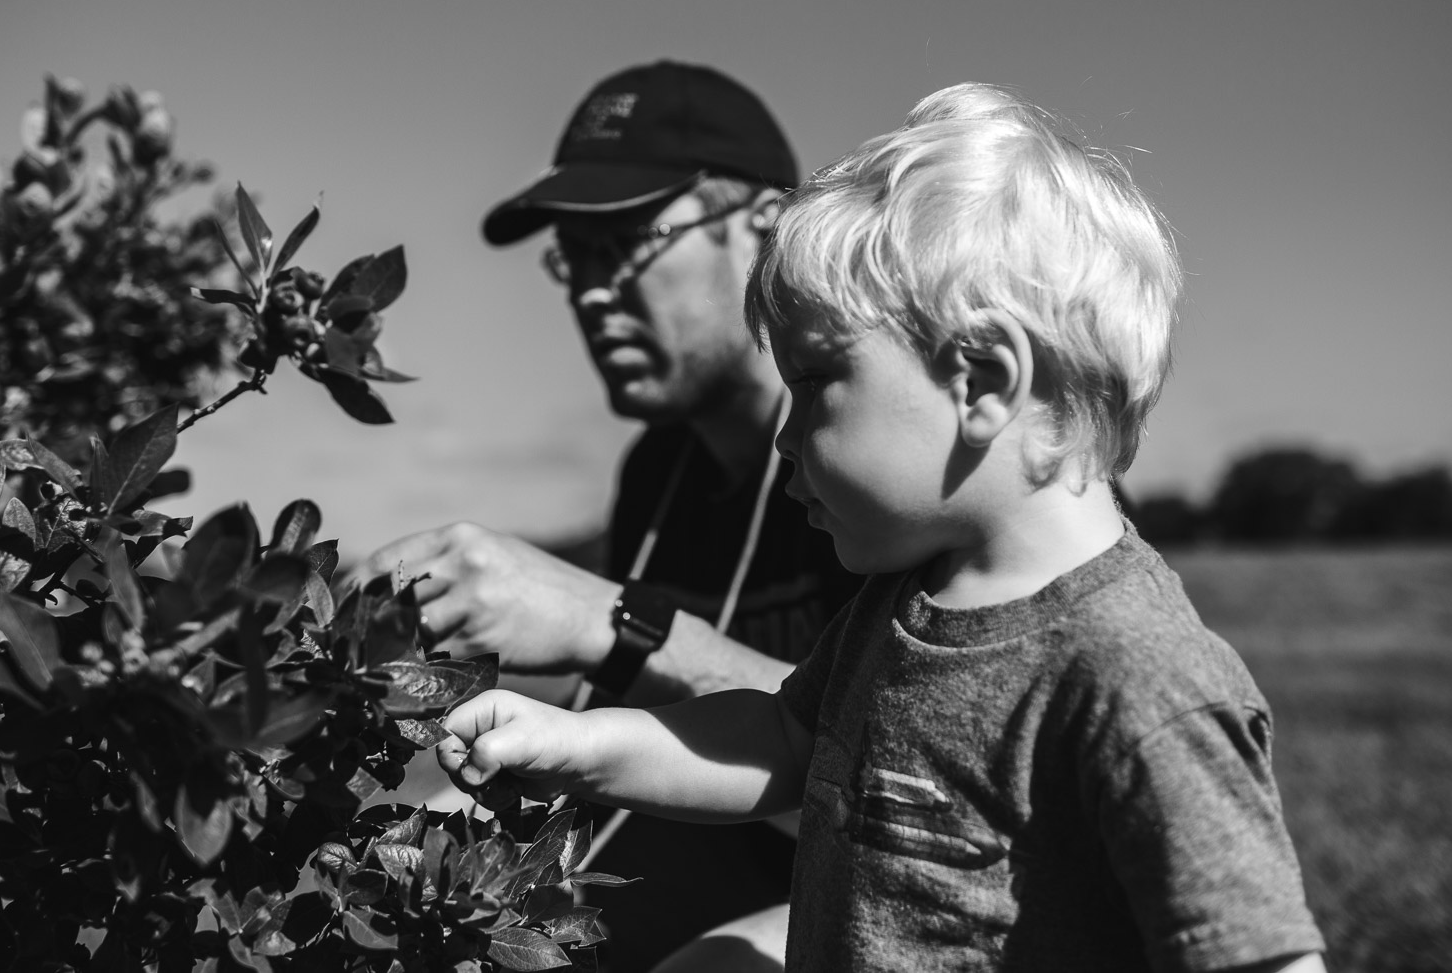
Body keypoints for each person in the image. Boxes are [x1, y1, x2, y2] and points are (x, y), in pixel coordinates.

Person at [435, 82, 1329, 972]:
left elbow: (1255, 953)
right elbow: (782, 742)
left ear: (980, 380)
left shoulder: (1138, 676)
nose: (788, 438)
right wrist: (574, 744)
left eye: (817, 382)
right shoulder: (900, 607)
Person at [353, 61, 862, 971]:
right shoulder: (660, 470)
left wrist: (615, 624)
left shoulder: (881, 461)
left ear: (769, 226)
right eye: (572, 258)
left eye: (625, 241)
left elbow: (912, 775)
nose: (590, 291)